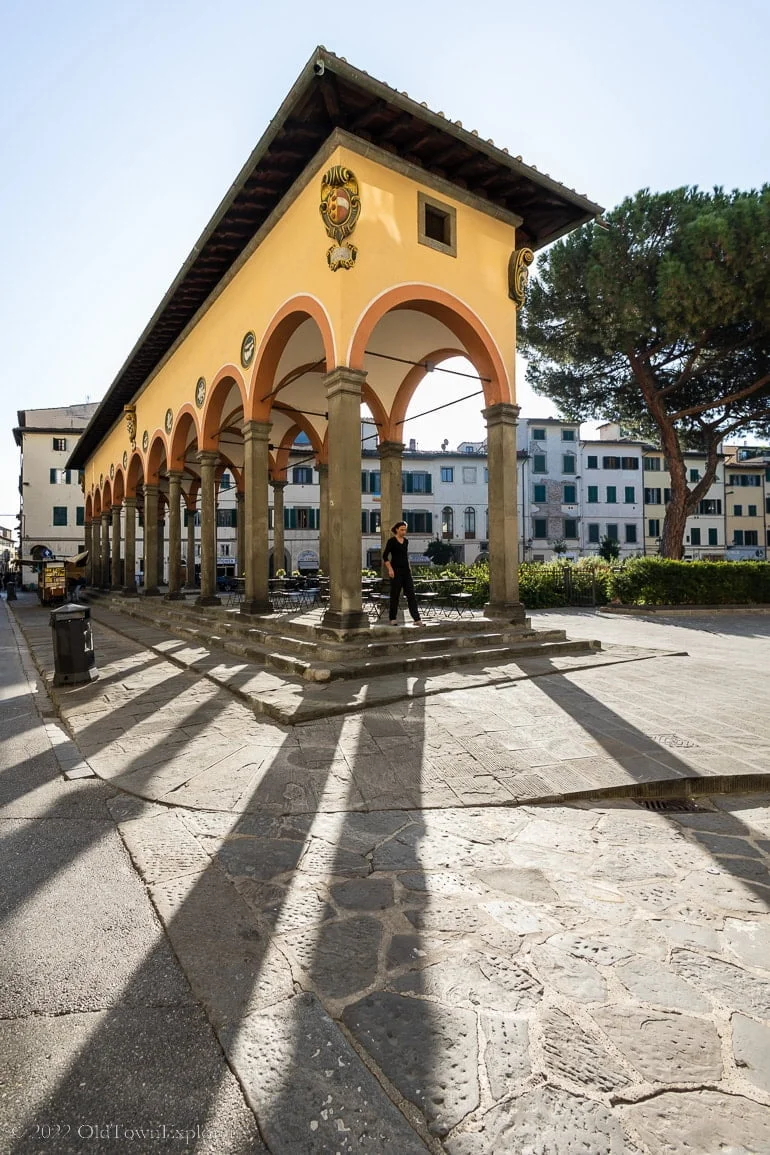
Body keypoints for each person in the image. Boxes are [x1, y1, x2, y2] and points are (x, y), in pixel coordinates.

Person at [382, 521, 424, 627]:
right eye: (401, 529)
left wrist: (409, 568)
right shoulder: (391, 541)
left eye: (405, 530)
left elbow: (405, 555)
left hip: (406, 571)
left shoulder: (406, 541)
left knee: (411, 595)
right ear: (397, 529)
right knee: (395, 595)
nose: (403, 532)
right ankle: (392, 618)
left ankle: (417, 619)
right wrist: (390, 569)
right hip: (396, 571)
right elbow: (385, 556)